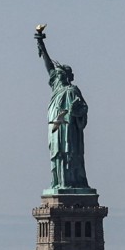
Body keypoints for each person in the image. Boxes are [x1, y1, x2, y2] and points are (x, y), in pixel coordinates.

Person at [35, 29, 90, 190]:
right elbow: (49, 66)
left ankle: (71, 182)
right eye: (56, 75)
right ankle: (58, 182)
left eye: (60, 74)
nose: (57, 76)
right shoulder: (57, 87)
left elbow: (83, 109)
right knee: (57, 154)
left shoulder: (73, 91)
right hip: (56, 127)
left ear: (67, 76)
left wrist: (75, 110)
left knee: (69, 154)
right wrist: (41, 43)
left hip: (69, 129)